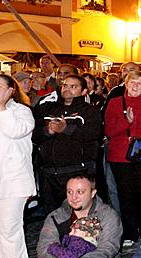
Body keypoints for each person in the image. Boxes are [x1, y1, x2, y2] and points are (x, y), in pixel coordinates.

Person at [104, 71, 141, 244]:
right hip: (121, 156)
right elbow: (109, 130)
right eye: (132, 82)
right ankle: (129, 232)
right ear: (126, 83)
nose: (135, 86)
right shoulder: (115, 102)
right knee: (126, 194)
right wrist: (127, 122)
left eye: (139, 83)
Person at [0, 74, 35, 258]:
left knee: (9, 226)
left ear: (10, 91)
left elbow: (15, 131)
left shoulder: (21, 112)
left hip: (11, 182)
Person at [33, 74, 102, 214]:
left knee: (78, 216)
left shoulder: (90, 111)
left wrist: (66, 129)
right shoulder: (47, 108)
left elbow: (93, 134)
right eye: (65, 85)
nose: (67, 89)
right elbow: (33, 134)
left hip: (77, 171)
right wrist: (48, 131)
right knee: (52, 216)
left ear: (84, 91)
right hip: (49, 173)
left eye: (73, 87)